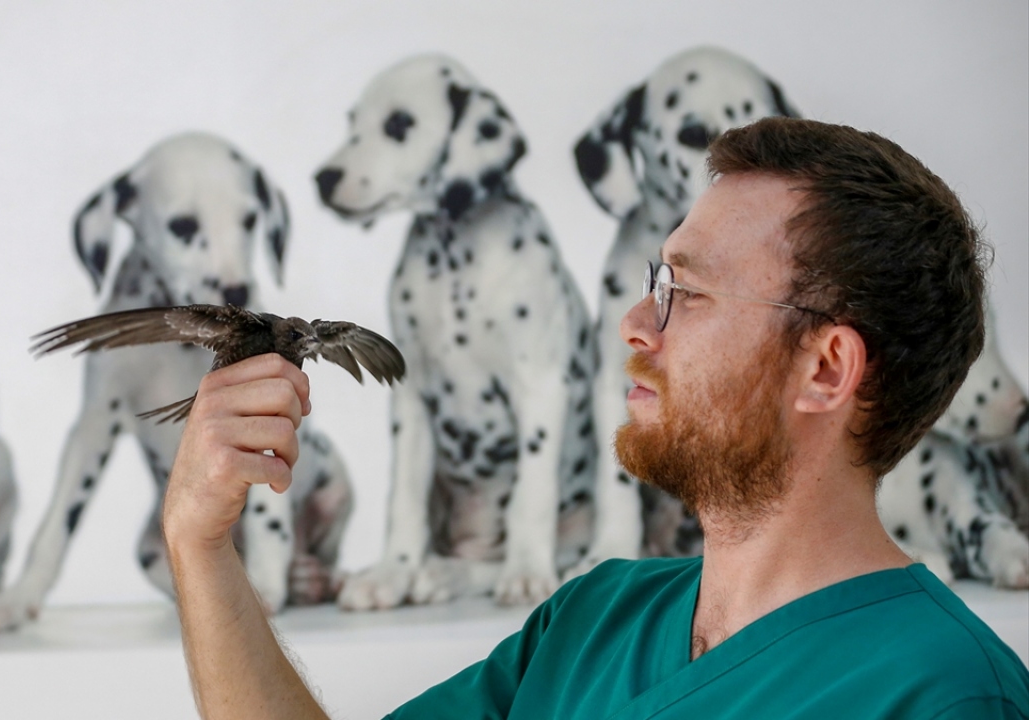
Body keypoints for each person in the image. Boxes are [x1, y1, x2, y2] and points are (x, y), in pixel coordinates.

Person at [160, 117, 1029, 719]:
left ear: (827, 368)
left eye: (683, 292)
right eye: (655, 284)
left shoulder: (946, 696)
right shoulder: (587, 623)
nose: (634, 325)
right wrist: (200, 544)